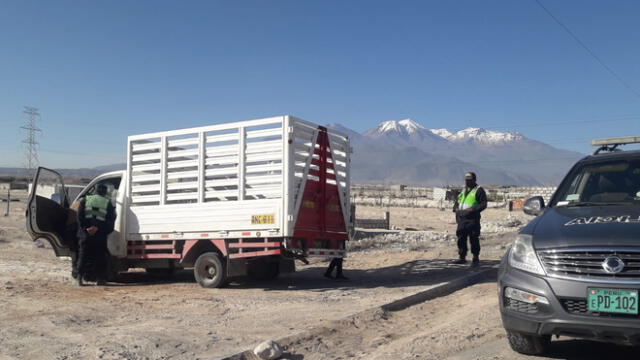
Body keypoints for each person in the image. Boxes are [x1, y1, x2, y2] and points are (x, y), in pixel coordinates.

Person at [76, 184, 116, 286]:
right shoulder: (108, 203)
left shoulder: (85, 200)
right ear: (105, 192)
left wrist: (86, 229)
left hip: (86, 235)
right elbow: (111, 220)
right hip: (100, 235)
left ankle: (79, 279)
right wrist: (98, 228)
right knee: (100, 257)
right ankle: (100, 279)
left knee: (83, 256)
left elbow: (79, 216)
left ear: (95, 191)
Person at [453, 172, 487, 267]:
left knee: (473, 238)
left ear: (474, 180)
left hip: (473, 219)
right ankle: (462, 257)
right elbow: (458, 201)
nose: (468, 182)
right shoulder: (463, 190)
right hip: (462, 218)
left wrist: (474, 209)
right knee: (461, 238)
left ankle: (475, 257)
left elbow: (483, 204)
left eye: (470, 180)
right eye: (466, 180)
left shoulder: (478, 190)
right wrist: (455, 208)